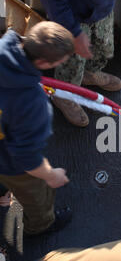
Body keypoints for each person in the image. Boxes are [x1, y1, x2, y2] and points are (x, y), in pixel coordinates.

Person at [0, 21, 74, 236]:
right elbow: (28, 158)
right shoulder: (33, 103)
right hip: (9, 162)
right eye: (61, 61)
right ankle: (40, 226)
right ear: (42, 62)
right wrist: (51, 175)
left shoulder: (6, 41)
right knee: (37, 197)